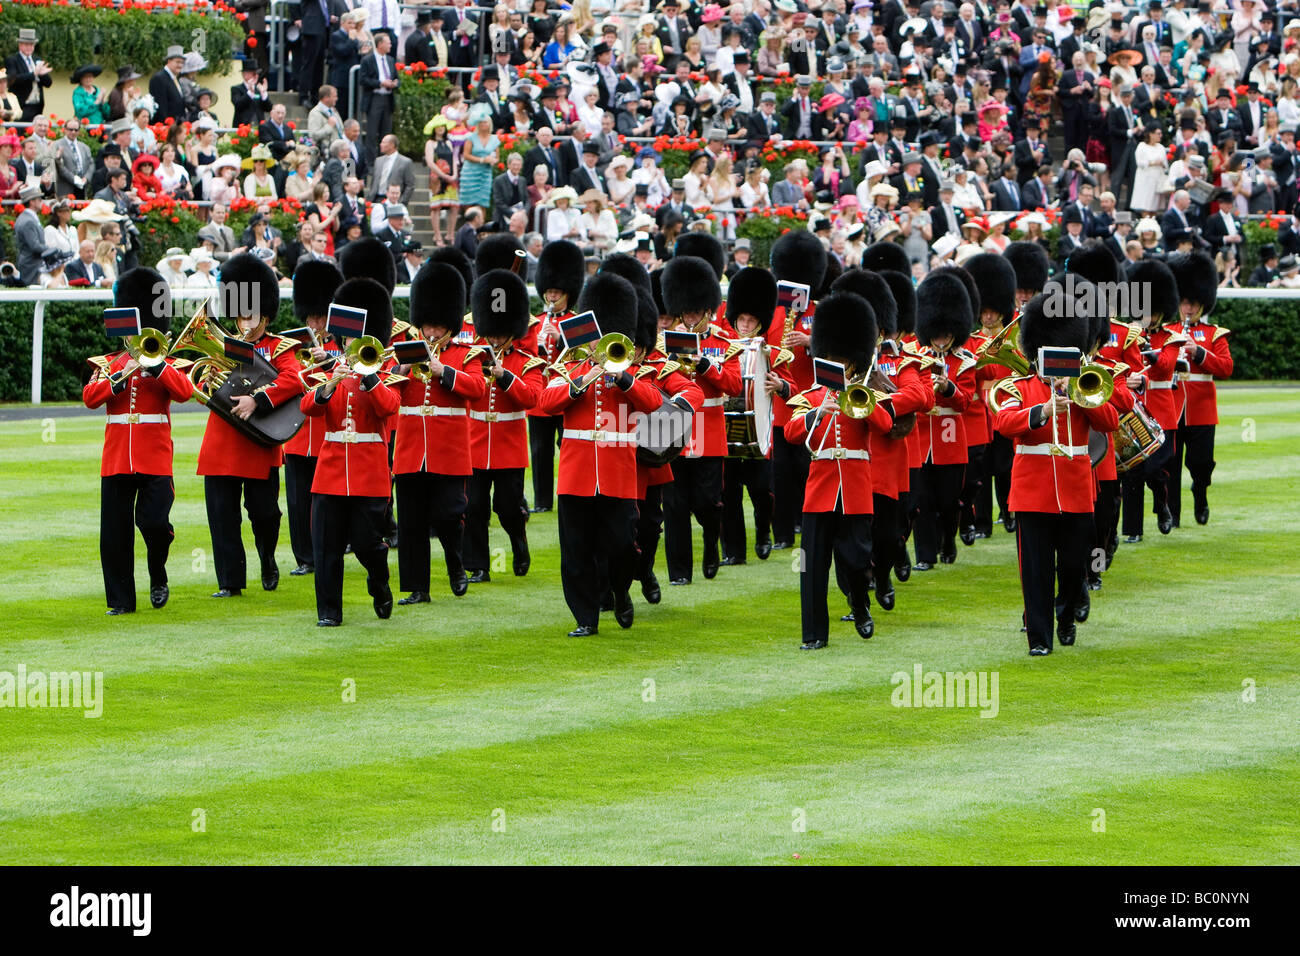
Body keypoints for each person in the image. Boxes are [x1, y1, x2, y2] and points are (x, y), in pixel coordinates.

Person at [994, 281, 1119, 655]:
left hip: (1076, 490)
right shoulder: (1019, 387)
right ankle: (1039, 639)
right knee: (1034, 571)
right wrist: (1042, 411)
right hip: (1032, 493)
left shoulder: (1082, 387)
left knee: (1071, 566)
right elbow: (1003, 423)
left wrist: (1076, 393)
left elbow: (1110, 421)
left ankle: (1065, 616)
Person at [536, 272, 662, 636]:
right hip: (576, 471)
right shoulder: (569, 366)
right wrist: (580, 382)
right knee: (576, 550)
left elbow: (653, 403)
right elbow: (546, 402)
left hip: (616, 470)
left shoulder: (631, 371)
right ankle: (585, 618)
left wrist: (622, 376)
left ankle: (621, 592)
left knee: (622, 544)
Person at [784, 290, 895, 649]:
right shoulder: (811, 395)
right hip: (820, 491)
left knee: (857, 559)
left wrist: (853, 399)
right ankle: (814, 634)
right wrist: (820, 411)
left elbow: (883, 424)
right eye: (833, 358)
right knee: (811, 567)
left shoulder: (863, 393)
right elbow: (791, 430)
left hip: (856, 488)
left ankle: (860, 604)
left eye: (845, 360)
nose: (839, 364)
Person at [82, 269, 194, 614]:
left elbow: (184, 392)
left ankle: (157, 572)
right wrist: (117, 379)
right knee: (114, 533)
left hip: (154, 457)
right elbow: (89, 397)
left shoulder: (166, 362)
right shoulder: (108, 364)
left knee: (155, 524)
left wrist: (156, 364)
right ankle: (120, 601)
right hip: (116, 458)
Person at [196, 253, 304, 598]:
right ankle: (230, 581)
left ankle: (267, 556)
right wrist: (211, 378)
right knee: (222, 516)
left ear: (266, 315)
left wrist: (258, 398)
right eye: (241, 314)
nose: (245, 322)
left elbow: (294, 378)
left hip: (259, 441)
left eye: (252, 315)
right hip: (222, 440)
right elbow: (197, 383)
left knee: (265, 514)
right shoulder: (223, 346)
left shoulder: (279, 347)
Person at [300, 277, 398, 627]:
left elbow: (389, 408)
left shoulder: (383, 373)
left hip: (369, 474)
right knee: (326, 548)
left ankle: (379, 578)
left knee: (366, 544)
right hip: (330, 473)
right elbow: (308, 406)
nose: (349, 345)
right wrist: (329, 383)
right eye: (346, 340)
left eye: (356, 340)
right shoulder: (330, 371)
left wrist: (369, 377)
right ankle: (329, 612)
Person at [391, 261, 485, 606]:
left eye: (436, 325)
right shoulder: (402, 351)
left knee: (449, 513)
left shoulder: (465, 354)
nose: (430, 331)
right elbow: (388, 394)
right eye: (426, 324)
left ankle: (456, 563)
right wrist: (400, 370)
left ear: (448, 325)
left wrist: (442, 369)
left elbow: (476, 388)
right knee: (412, 521)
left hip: (448, 447)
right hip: (412, 447)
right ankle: (417, 587)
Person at [659, 252, 742, 586]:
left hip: (708, 428)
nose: (691, 317)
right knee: (675, 505)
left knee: (708, 502)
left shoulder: (725, 342)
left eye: (697, 311)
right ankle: (679, 572)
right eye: (687, 311)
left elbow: (734, 385)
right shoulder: (665, 341)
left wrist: (706, 365)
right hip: (673, 428)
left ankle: (711, 541)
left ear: (709, 310)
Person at [462, 270, 544, 584]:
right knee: (474, 508)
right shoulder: (474, 357)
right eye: (491, 334)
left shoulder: (526, 361)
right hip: (476, 439)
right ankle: (478, 566)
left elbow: (532, 398)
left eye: (500, 334)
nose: (494, 340)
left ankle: (518, 539)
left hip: (508, 443)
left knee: (507, 508)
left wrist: (504, 376)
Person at [909, 269, 977, 571]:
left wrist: (949, 388)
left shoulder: (964, 362)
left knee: (949, 502)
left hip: (950, 440)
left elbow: (964, 403)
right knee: (923, 501)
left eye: (946, 334)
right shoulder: (916, 356)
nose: (940, 339)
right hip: (922, 438)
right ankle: (925, 555)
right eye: (936, 333)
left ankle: (948, 538)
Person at [1164, 251, 1233, 528]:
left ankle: (1201, 491)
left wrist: (1200, 353)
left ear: (1202, 304)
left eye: (1192, 304)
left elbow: (1226, 368)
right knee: (1170, 465)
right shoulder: (1167, 331)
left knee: (1201, 463)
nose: (1188, 309)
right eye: (1183, 303)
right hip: (1171, 406)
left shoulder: (1215, 333)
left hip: (1201, 409)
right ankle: (1172, 515)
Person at [360, 32, 398, 162]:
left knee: (386, 132)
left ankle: (385, 160)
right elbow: (363, 79)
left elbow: (396, 77)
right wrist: (380, 83)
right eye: (388, 43)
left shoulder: (391, 60)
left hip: (387, 98)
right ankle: (371, 163)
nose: (390, 45)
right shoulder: (368, 60)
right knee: (372, 133)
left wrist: (394, 83)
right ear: (380, 44)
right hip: (374, 97)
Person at [6, 28, 53, 122]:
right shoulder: (13, 60)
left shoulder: (36, 59)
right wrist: (33, 74)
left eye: (32, 45)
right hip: (21, 105)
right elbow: (13, 79)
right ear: (20, 45)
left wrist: (42, 74)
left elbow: (48, 83)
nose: (29, 47)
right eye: (26, 44)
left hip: (37, 106)